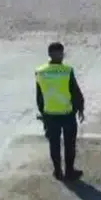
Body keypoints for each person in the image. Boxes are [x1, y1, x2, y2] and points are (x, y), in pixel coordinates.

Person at [35, 42, 85, 181]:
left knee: (54, 144)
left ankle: (57, 171)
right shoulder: (67, 70)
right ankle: (69, 171)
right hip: (67, 113)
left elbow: (39, 96)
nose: (61, 56)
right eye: (60, 53)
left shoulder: (40, 71)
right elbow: (75, 92)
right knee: (70, 144)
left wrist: (43, 113)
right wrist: (80, 108)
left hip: (50, 114)